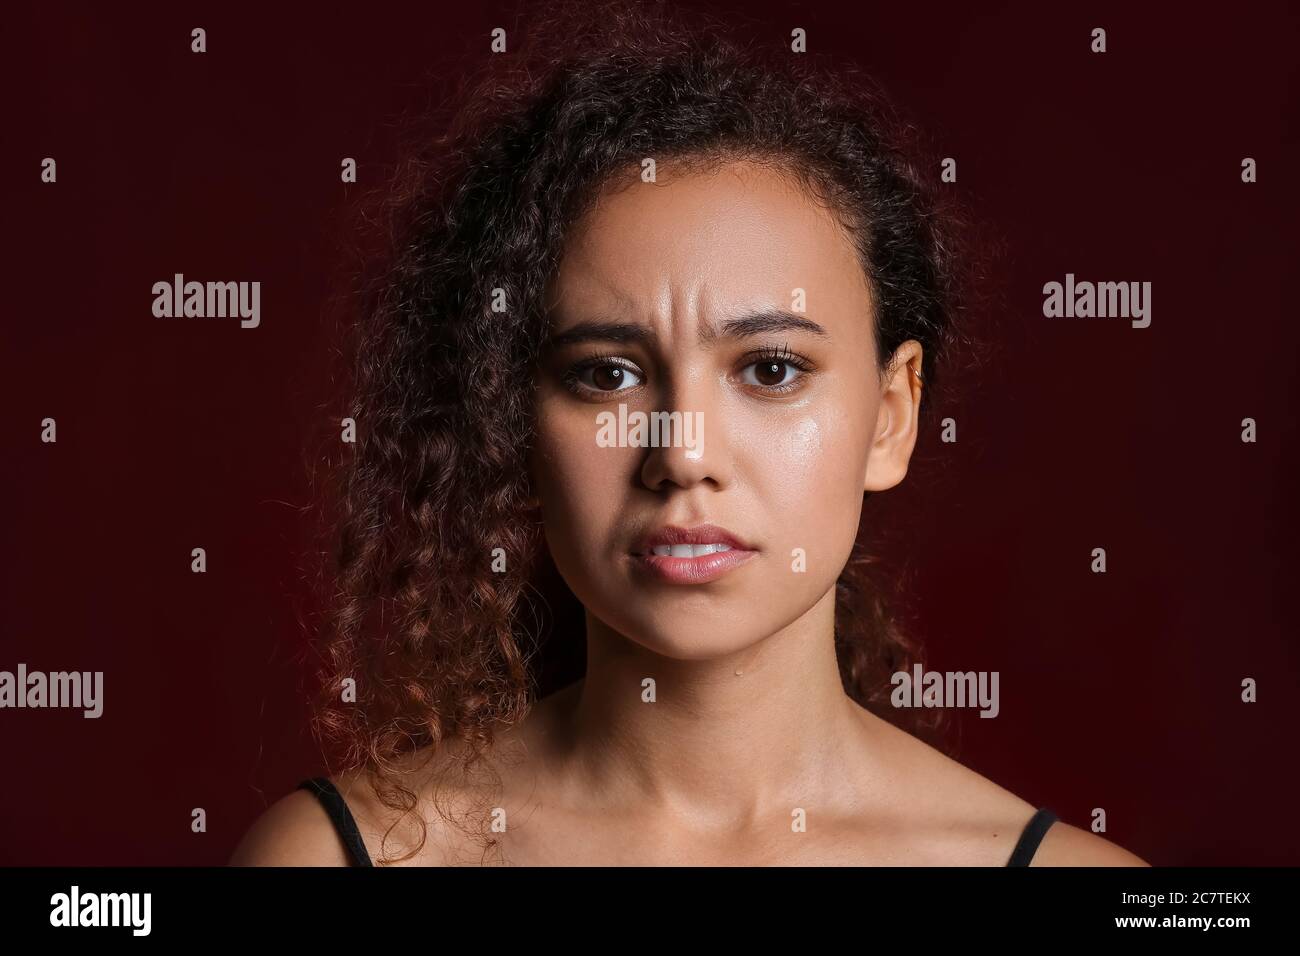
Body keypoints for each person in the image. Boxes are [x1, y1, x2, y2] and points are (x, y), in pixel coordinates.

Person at [232, 0, 1147, 867]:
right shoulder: (338, 858)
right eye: (606, 374)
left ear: (892, 415)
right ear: (512, 420)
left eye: (772, 370)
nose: (683, 455)